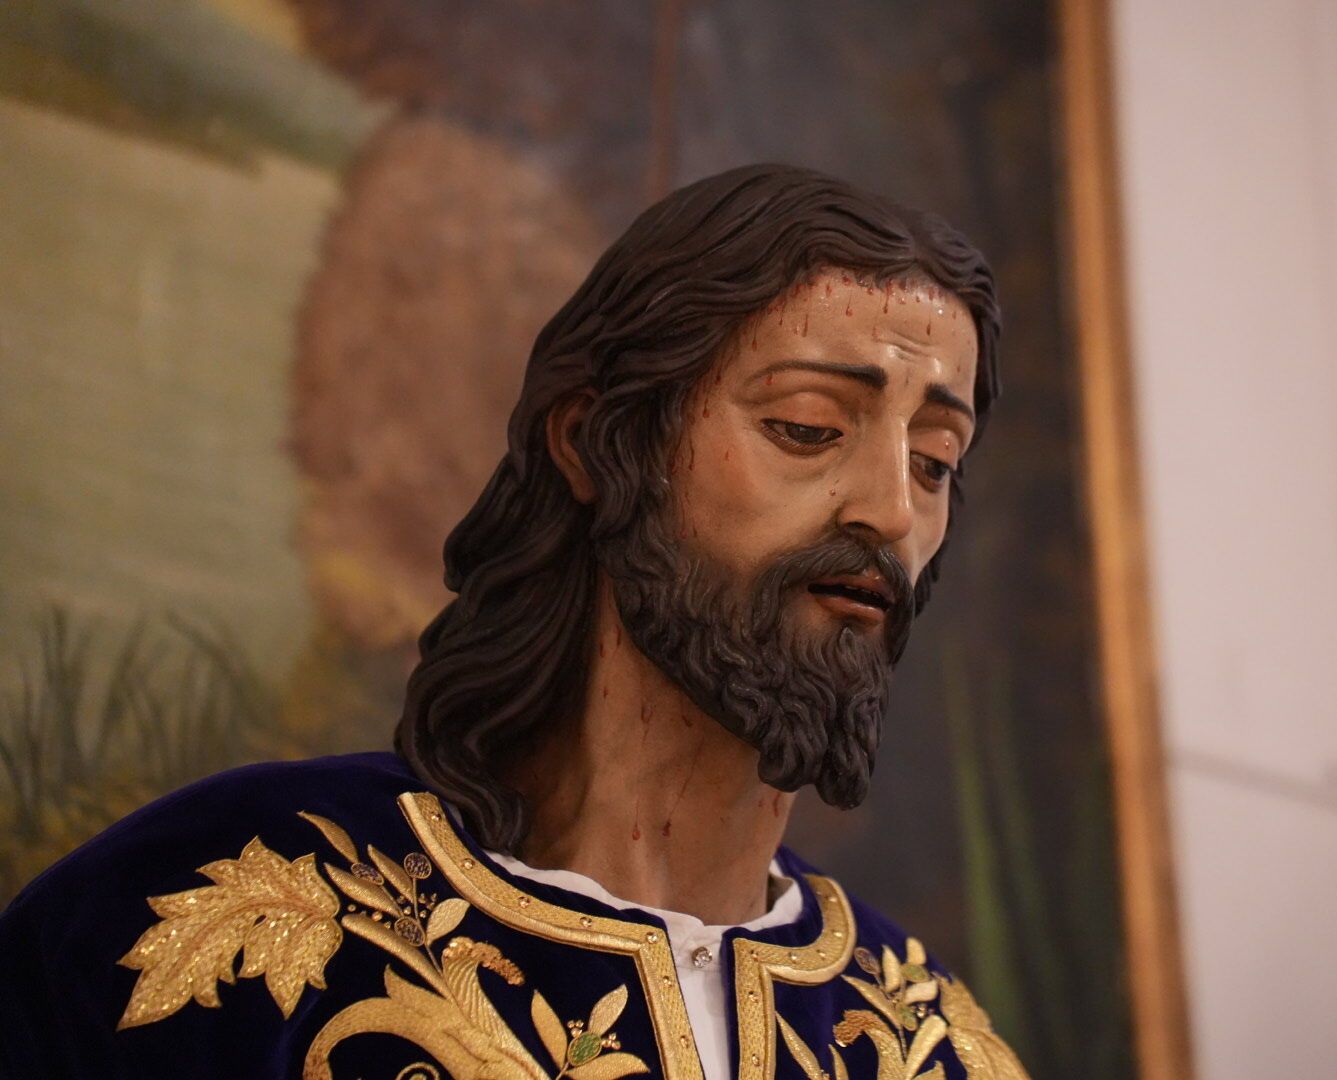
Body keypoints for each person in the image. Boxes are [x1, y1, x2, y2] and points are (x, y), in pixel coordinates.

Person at [0, 164, 1031, 1080]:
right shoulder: (238, 908)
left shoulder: (932, 1043)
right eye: (806, 428)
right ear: (596, 443)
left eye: (934, 463)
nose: (892, 511)